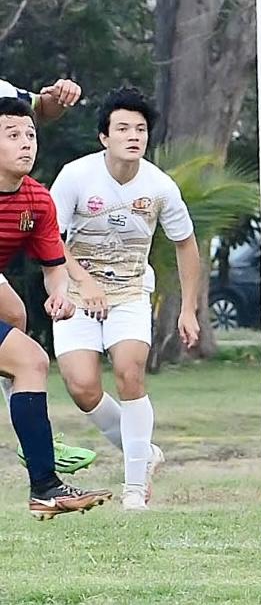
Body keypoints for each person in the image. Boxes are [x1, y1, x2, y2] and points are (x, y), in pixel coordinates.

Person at [50, 87, 203, 512]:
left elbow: (186, 244)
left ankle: (134, 487)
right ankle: (144, 452)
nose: (133, 136)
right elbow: (50, 238)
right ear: (104, 136)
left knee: (129, 371)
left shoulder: (160, 187)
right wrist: (83, 281)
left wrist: (188, 308)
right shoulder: (76, 176)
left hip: (131, 293)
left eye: (140, 129)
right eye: (122, 128)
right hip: (78, 294)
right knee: (82, 387)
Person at [0, 96, 112, 517]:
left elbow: (53, 266)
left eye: (30, 134)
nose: (26, 143)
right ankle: (45, 483)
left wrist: (61, 293)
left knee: (15, 320)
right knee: (30, 359)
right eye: (12, 135)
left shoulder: (37, 200)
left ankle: (32, 440)